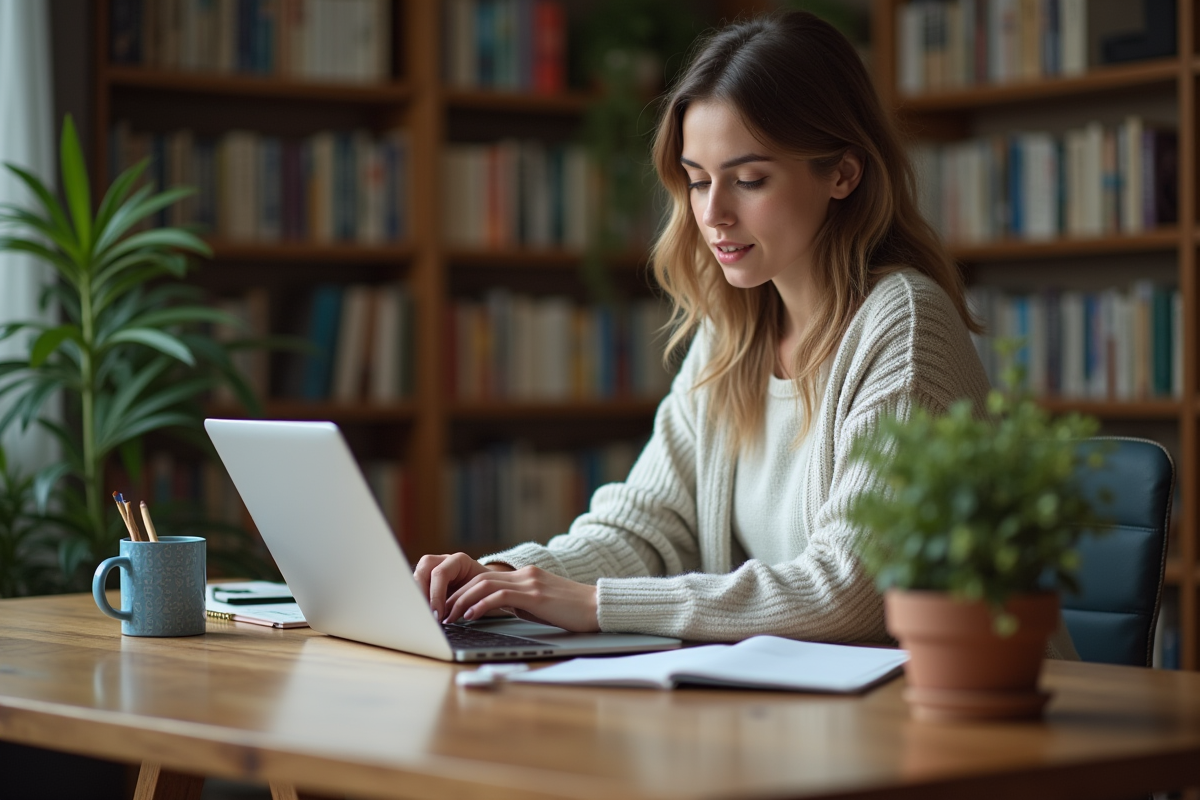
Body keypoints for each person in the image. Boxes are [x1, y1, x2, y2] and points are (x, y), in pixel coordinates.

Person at [415, 11, 1077, 658]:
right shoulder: (733, 330)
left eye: (749, 180)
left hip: (970, 725)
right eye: (697, 181)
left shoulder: (901, 324)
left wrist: (594, 606)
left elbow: (851, 590)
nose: (713, 214)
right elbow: (645, 528)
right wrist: (500, 578)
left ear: (843, 173)